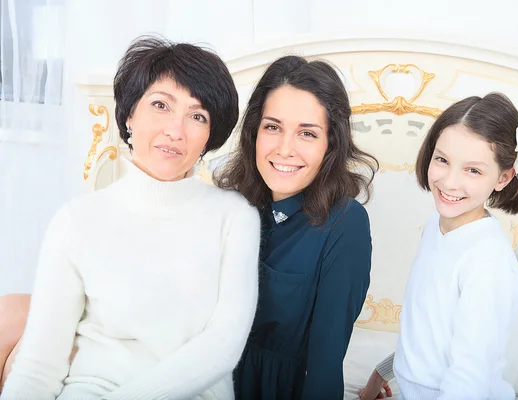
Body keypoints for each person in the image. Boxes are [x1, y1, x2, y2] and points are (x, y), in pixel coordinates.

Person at [1, 36, 260, 400]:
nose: (176, 130)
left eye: (197, 116)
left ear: (209, 138)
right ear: (128, 116)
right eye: (160, 105)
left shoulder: (235, 218)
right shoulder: (76, 221)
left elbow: (222, 346)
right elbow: (40, 363)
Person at [359, 93, 518, 400]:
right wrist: (381, 373)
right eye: (442, 160)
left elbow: (468, 377)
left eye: (472, 170)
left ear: (503, 177)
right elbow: (427, 330)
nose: (449, 182)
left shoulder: (487, 262)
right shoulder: (438, 226)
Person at [215, 55, 379, 399]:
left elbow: (325, 363)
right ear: (254, 132)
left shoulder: (345, 224)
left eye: (307, 133)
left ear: (330, 144)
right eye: (273, 127)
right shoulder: (229, 205)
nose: (285, 149)